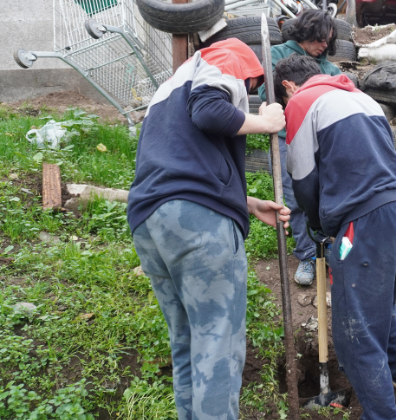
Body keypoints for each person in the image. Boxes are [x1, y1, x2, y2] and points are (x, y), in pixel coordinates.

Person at [127, 39, 290, 420]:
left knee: (186, 342)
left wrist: (246, 203)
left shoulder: (168, 90)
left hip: (151, 222)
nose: (248, 92)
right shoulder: (227, 56)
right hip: (199, 224)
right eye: (253, 87)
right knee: (218, 344)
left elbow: (182, 161)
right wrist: (265, 122)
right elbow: (209, 113)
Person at [275, 54, 396, 419]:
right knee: (376, 307)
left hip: (364, 223)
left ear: (287, 87)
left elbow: (304, 181)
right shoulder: (360, 97)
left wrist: (318, 227)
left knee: (354, 331)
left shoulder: (300, 102)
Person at [258, 9, 342, 286]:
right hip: (287, 137)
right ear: (305, 32)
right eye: (320, 39)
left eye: (328, 41)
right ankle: (307, 255)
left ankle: (328, 246)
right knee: (294, 196)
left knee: (326, 192)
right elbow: (264, 93)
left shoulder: (330, 67)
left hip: (322, 140)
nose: (324, 46)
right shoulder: (278, 55)